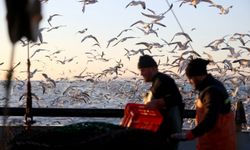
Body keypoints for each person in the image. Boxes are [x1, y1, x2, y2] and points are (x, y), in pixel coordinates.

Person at [171, 58, 236, 150]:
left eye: (190, 78)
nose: (190, 82)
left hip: (216, 144)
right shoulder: (214, 85)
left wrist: (189, 135)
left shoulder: (211, 92)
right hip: (216, 141)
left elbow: (211, 119)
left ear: (198, 76)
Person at [137, 55, 184, 150]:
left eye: (142, 70)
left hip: (167, 134)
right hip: (159, 134)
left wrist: (157, 102)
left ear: (153, 68)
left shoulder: (163, 80)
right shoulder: (156, 83)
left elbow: (176, 98)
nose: (141, 74)